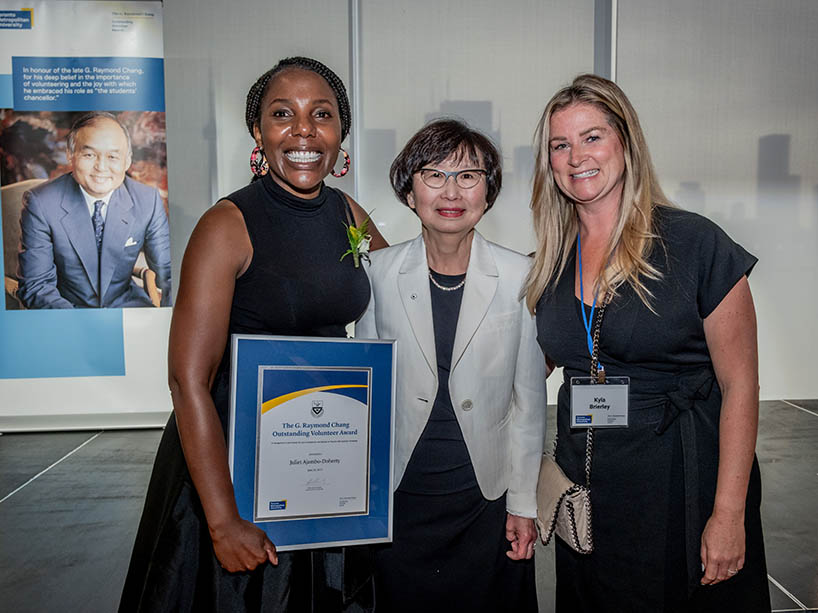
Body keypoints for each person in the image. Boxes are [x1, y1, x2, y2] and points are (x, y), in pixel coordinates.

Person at [119, 57, 386, 613]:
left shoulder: (349, 213)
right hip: (235, 460)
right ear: (259, 133)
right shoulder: (227, 224)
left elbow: (406, 296)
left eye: (322, 115)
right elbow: (188, 379)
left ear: (341, 134)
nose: (304, 130)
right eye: (282, 114)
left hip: (326, 446)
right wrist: (221, 520)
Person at [526, 74, 771, 611]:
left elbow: (741, 385)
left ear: (625, 143)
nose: (575, 157)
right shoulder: (549, 261)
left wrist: (728, 513)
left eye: (592, 137)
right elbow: (528, 370)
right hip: (588, 490)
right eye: (560, 144)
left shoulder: (694, 244)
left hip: (678, 488)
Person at [356, 119, 546, 612]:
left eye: (468, 175)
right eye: (433, 174)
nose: (451, 190)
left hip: (484, 495)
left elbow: (529, 403)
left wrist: (524, 504)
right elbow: (368, 395)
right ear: (408, 188)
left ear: (488, 189)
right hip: (404, 492)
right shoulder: (377, 274)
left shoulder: (519, 276)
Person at [17, 112, 172, 308]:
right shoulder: (40, 203)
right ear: (70, 155)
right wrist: (82, 328)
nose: (101, 167)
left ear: (127, 161)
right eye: (89, 155)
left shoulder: (148, 201)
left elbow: (168, 274)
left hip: (128, 307)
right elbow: (36, 286)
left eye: (113, 156)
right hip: (68, 312)